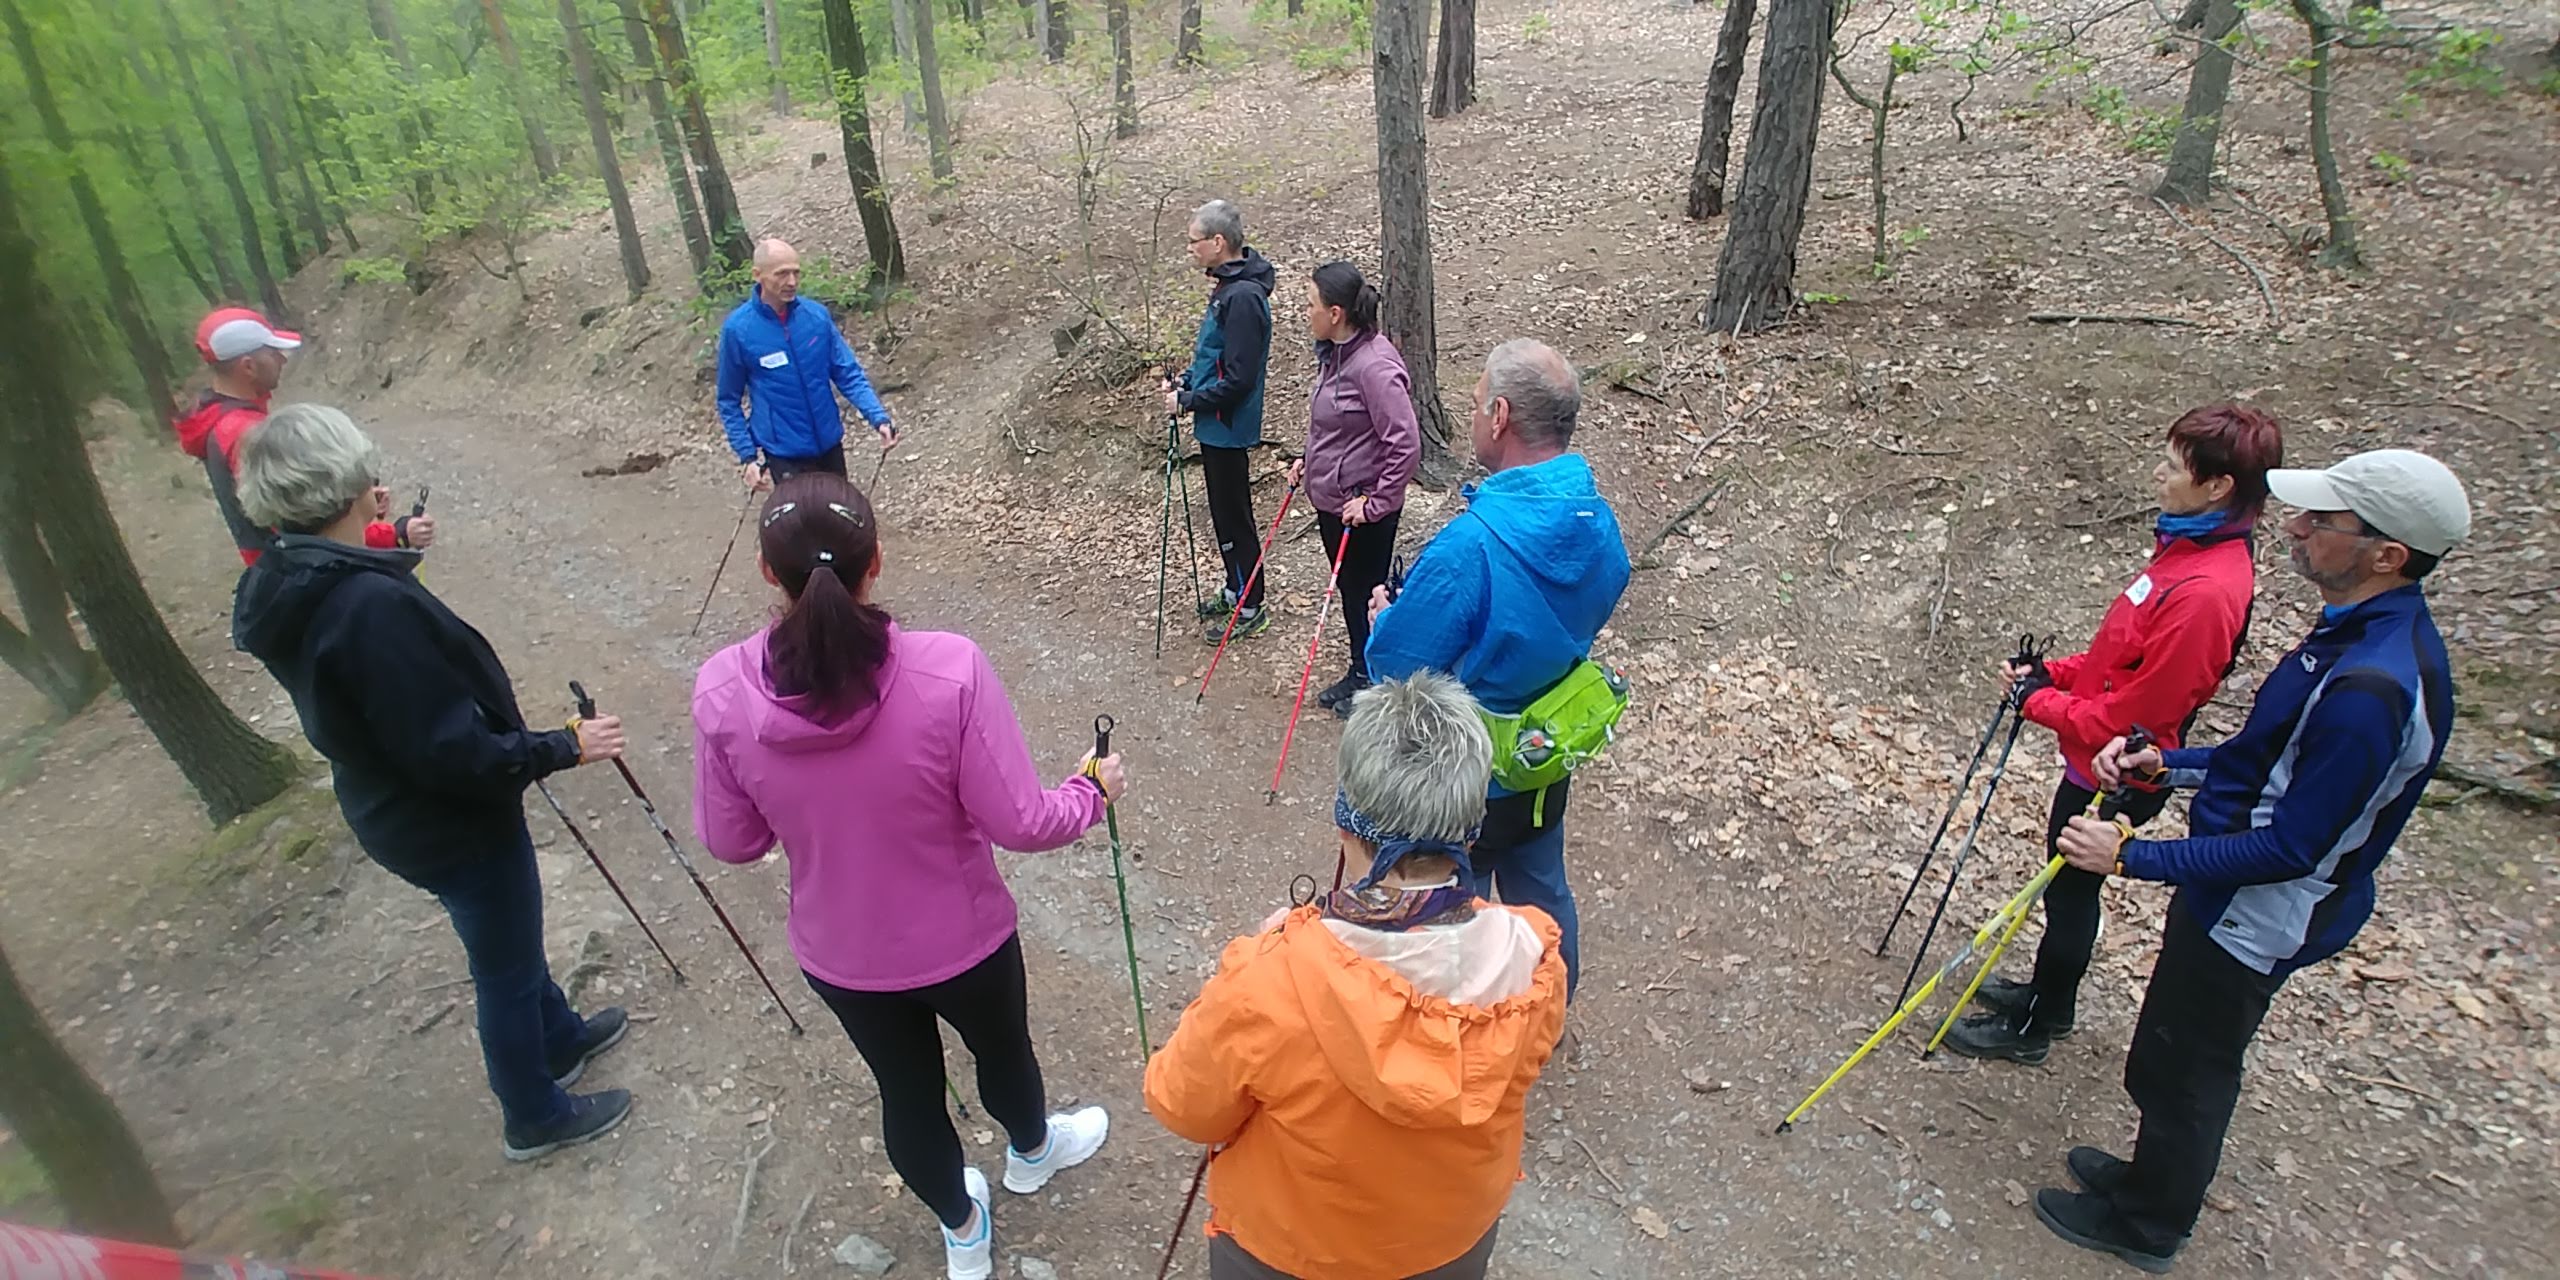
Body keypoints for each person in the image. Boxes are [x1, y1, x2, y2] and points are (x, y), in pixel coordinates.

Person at [2028, 448, 2468, 1274]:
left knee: (2191, 1062)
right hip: (2227, 889)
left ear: (2388, 555)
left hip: (2260, 909)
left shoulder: (2374, 688)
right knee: (2169, 1044)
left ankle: (2150, 1225)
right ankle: (2144, 1177)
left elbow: (2294, 844)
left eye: (2324, 522)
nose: (2296, 528)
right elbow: (2262, 756)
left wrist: (2131, 858)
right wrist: (2170, 764)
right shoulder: (2348, 635)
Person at [690, 473, 1121, 1280]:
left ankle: (963, 1229)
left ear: (764, 571)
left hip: (841, 957)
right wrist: (1090, 791)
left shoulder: (721, 690)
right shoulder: (947, 671)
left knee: (907, 1095)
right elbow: (1022, 823)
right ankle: (1031, 1153)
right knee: (1003, 1056)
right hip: (967, 941)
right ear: (876, 561)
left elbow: (732, 842)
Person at [229, 404, 632, 1162]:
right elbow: (451, 750)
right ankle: (534, 1114)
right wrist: (560, 747)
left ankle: (560, 1038)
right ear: (349, 488)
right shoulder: (363, 607)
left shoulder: (292, 575)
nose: (379, 489)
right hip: (448, 820)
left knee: (511, 939)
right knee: (505, 967)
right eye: (367, 477)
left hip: (399, 811)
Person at [1144, 672, 1568, 1280]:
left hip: (1295, 1252)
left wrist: (1274, 947)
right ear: (1471, 831)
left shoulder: (1271, 978)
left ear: (1348, 826)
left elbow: (1182, 1106)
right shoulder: (1532, 954)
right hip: (1451, 1243)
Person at [1946, 405, 2281, 1064]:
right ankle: (2048, 999)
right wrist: (2052, 674)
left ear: (2218, 487)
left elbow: (2136, 715)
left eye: (2175, 465)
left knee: (2068, 893)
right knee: (2064, 888)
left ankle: (2036, 1027)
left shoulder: (2207, 591)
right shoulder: (2185, 550)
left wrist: (2038, 701)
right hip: (2093, 756)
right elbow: (2116, 662)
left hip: (2120, 772)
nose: (2159, 472)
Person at [1363, 339, 1629, 996]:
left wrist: (1381, 621)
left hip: (1465, 773)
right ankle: (1551, 1006)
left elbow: (1393, 666)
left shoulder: (1470, 547)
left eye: (1478, 402)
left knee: (1461, 905)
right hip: (1545, 752)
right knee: (1542, 887)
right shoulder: (1600, 524)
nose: (1474, 413)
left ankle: (1471, 1031)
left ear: (1502, 415)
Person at [175, 308, 435, 564]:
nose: (282, 360)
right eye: (273, 352)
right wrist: (396, 535)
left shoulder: (222, 420)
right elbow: (306, 527)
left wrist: (355, 497)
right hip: (302, 570)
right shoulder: (244, 433)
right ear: (249, 366)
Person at [1287, 261, 1420, 718]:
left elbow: (1404, 441)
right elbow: (1332, 425)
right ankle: (1361, 670)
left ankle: (1375, 681)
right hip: (1334, 500)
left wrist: (1377, 502)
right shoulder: (1335, 354)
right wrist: (1308, 460)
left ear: (1337, 312)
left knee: (1367, 593)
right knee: (1350, 589)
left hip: (1362, 509)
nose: (1307, 312)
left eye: (1311, 304)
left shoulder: (1374, 365)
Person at [1162, 199, 1277, 640]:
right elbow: (1217, 359)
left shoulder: (1243, 296)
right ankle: (1236, 588)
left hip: (1228, 423)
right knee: (1223, 515)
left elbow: (1241, 379)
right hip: (1216, 420)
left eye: (1194, 241)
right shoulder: (1228, 287)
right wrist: (1187, 383)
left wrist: (1189, 400)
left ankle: (1250, 606)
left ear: (1218, 242)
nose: (1190, 248)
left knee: (1234, 517)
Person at [716, 239, 900, 491]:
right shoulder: (739, 330)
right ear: (757, 275)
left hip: (828, 443)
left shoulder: (815, 317)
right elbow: (728, 399)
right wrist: (748, 456)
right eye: (781, 274)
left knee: (838, 521)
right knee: (804, 527)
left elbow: (847, 373)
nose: (791, 282)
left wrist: (878, 418)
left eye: (796, 272)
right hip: (783, 453)